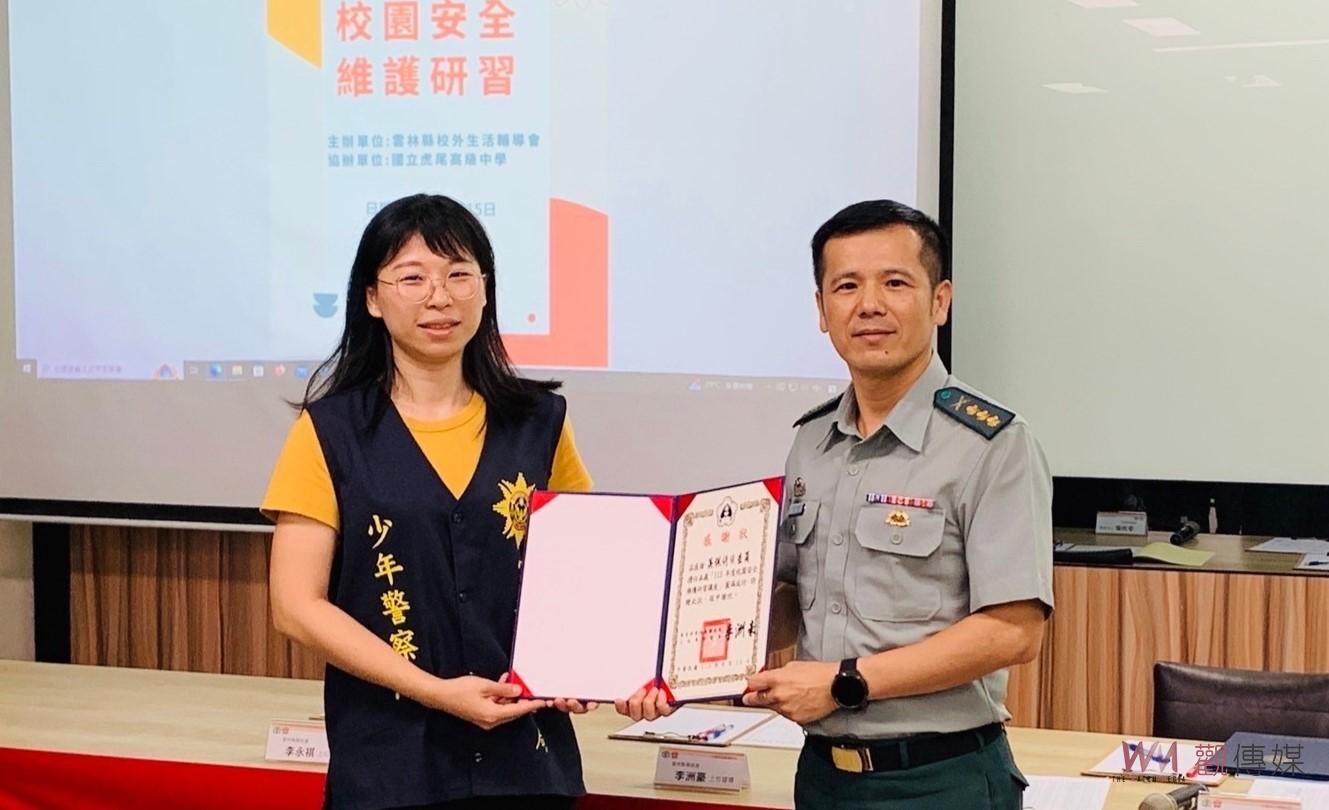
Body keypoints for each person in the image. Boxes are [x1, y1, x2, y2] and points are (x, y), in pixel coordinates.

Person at [264, 194, 595, 810]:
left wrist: (583, 667)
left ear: (485, 290)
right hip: (390, 767)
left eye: (458, 275)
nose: (439, 297)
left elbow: (581, 574)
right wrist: (434, 691)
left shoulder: (540, 422)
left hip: (526, 762)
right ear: (372, 298)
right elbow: (295, 606)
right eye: (412, 278)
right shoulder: (329, 432)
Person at [743, 200, 1054, 809]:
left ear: (940, 301)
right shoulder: (811, 441)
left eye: (894, 283)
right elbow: (791, 599)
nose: (869, 305)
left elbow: (1014, 631)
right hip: (822, 777)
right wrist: (681, 653)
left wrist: (844, 683)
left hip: (939, 780)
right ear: (822, 310)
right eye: (847, 286)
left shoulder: (993, 444)